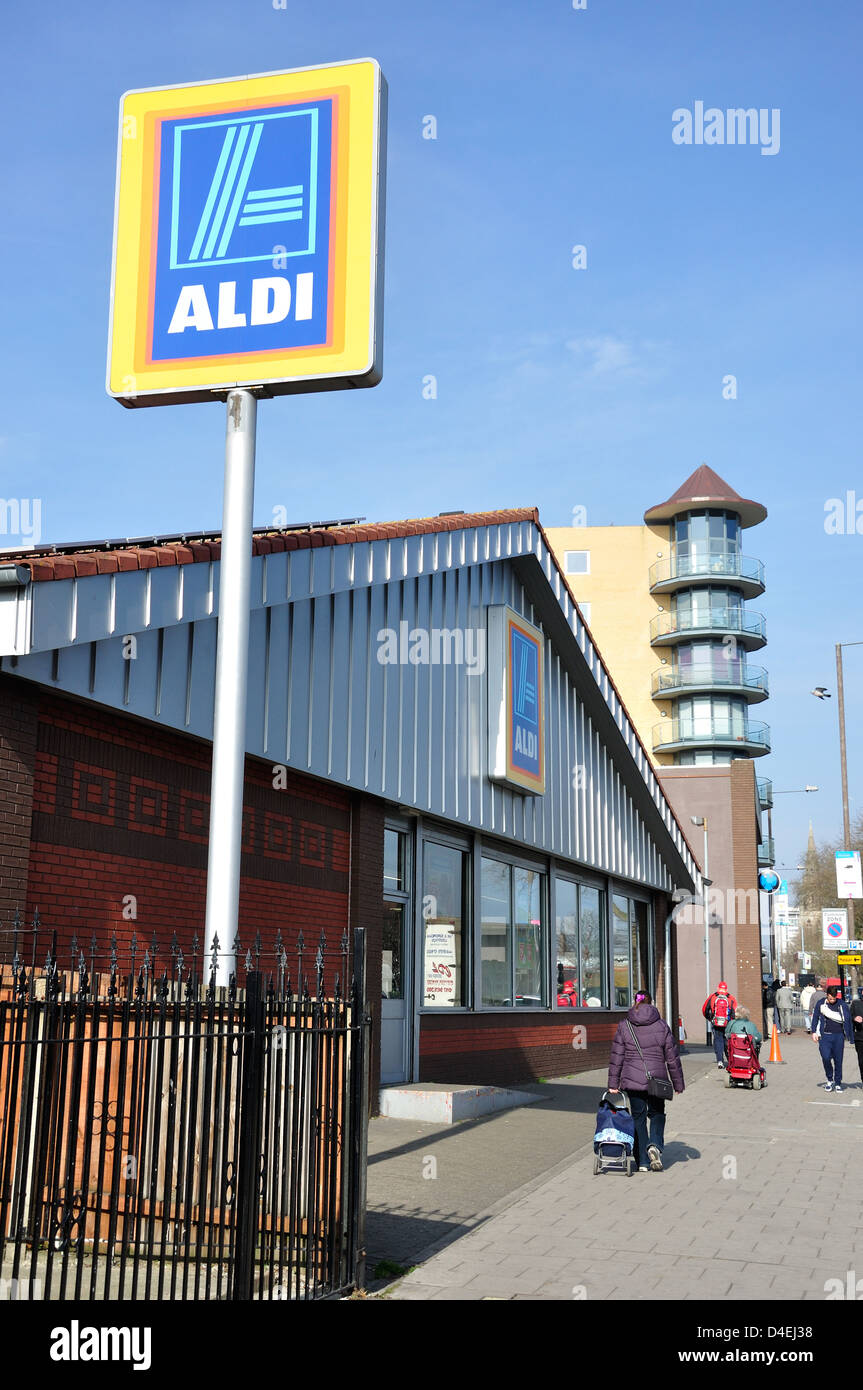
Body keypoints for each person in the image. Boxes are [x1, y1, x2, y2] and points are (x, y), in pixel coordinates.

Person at [607, 990, 684, 1172]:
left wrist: (613, 1083)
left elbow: (617, 1055)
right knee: (657, 1114)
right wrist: (678, 1083)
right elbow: (672, 1057)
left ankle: (642, 1161)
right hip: (657, 1078)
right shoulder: (661, 1025)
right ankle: (654, 1145)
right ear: (651, 1003)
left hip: (632, 1079)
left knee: (638, 1117)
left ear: (635, 1002)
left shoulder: (624, 1025)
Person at [811, 984, 854, 1092]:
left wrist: (850, 1036)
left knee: (838, 1060)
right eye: (830, 998)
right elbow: (815, 1017)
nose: (832, 1001)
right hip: (825, 1036)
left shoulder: (842, 1004)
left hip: (839, 1036)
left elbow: (848, 1020)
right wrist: (813, 1032)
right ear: (827, 995)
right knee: (825, 1057)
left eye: (834, 999)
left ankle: (838, 1082)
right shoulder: (821, 1003)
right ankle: (829, 1079)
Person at [702, 981, 739, 1068]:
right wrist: (732, 1022)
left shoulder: (713, 997)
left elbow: (704, 1009)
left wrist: (710, 1018)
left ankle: (720, 1061)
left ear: (718, 988)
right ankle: (730, 1061)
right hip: (727, 1024)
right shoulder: (730, 998)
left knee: (718, 1041)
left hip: (716, 1023)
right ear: (726, 989)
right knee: (727, 1041)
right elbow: (735, 1012)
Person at [850, 992, 863, 1087]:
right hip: (860, 1038)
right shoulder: (855, 1003)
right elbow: (848, 1017)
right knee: (861, 1062)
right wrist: (854, 1018)